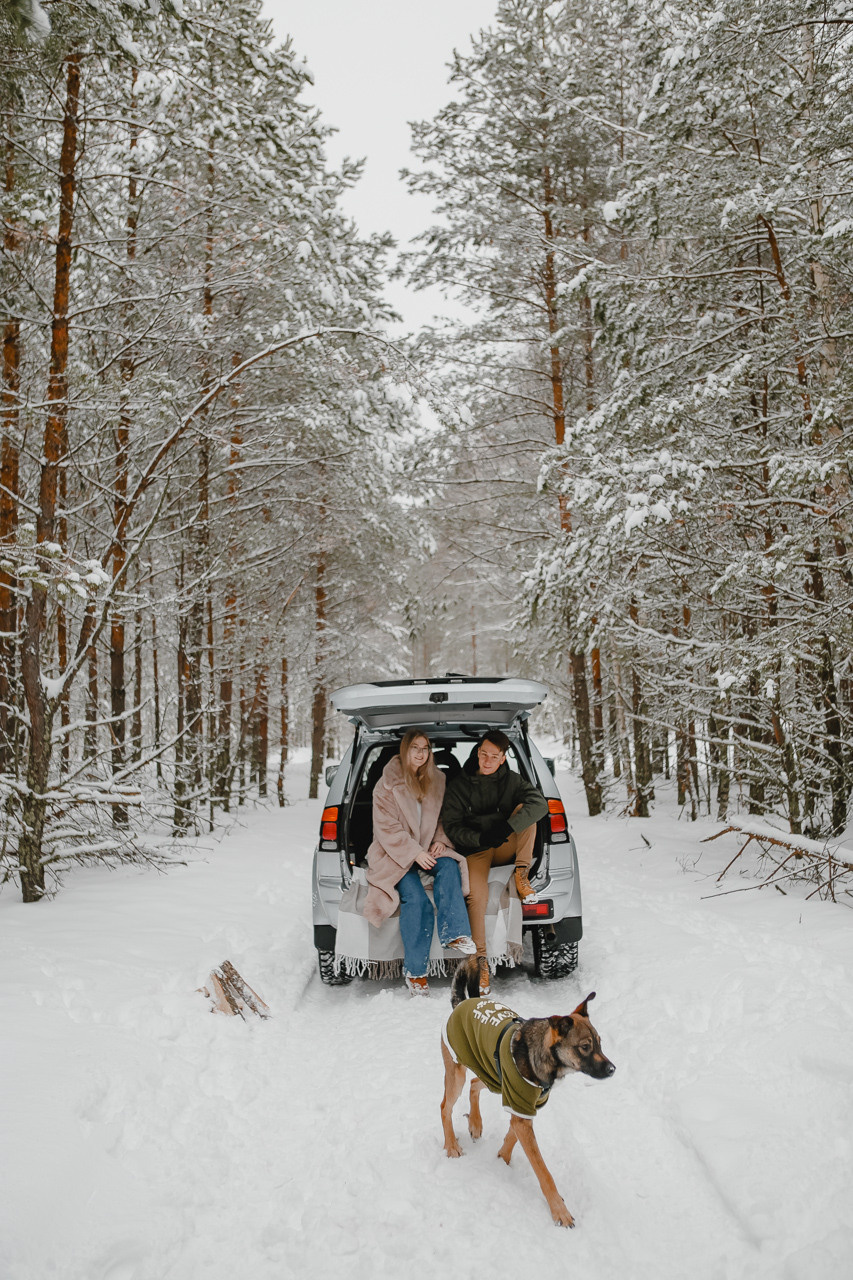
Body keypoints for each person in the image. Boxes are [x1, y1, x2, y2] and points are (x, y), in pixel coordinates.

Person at [363, 730, 476, 997]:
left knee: (449, 866)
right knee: (417, 900)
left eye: (425, 748)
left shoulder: (437, 781)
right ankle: (416, 973)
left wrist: (441, 841)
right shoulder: (386, 785)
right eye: (415, 748)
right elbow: (386, 829)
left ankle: (455, 933)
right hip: (394, 854)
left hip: (426, 848)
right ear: (404, 750)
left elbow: (442, 819)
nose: (420, 753)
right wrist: (414, 853)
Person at [440, 729, 548, 994]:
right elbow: (452, 827)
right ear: (478, 753)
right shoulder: (459, 785)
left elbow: (540, 804)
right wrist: (479, 837)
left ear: (502, 758)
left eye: (494, 756)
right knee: (476, 897)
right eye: (484, 754)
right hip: (476, 850)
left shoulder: (512, 781)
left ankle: (521, 875)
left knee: (528, 811)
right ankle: (479, 964)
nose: (487, 760)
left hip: (505, 845)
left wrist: (505, 828)